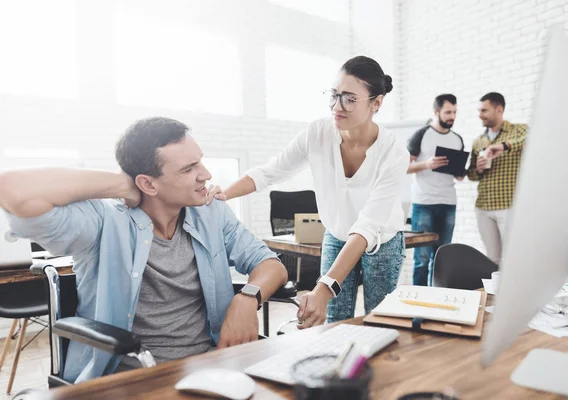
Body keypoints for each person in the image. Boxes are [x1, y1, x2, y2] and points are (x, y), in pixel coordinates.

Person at [0, 117, 287, 383]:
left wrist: (247, 299)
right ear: (147, 183)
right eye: (189, 169)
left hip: (213, 366)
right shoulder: (104, 223)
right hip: (134, 376)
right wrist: (120, 185)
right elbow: (10, 188)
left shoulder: (212, 213)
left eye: (199, 162)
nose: (206, 174)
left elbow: (270, 265)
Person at [215, 56, 410, 328]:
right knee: (333, 320)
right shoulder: (318, 133)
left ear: (376, 103)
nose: (336, 106)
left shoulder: (394, 153)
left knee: (379, 320)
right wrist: (223, 194)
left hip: (382, 240)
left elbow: (367, 227)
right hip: (337, 234)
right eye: (334, 95)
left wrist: (323, 287)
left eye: (349, 99)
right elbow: (271, 171)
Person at [406, 94, 465, 286]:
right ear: (436, 112)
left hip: (448, 202)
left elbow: (459, 175)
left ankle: (437, 302)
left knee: (442, 258)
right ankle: (417, 307)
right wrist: (427, 164)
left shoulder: (457, 139)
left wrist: (460, 173)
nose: (452, 116)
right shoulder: (421, 135)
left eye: (454, 112)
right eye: (448, 112)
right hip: (424, 203)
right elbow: (404, 167)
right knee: (422, 259)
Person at [467, 92, 528, 264]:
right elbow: (471, 175)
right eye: (479, 111)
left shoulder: (518, 130)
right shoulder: (479, 141)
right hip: (484, 208)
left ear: (499, 109)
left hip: (508, 207)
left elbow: (531, 139)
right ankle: (496, 292)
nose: (480, 115)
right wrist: (477, 169)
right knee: (492, 259)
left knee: (513, 257)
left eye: (484, 110)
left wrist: (504, 146)